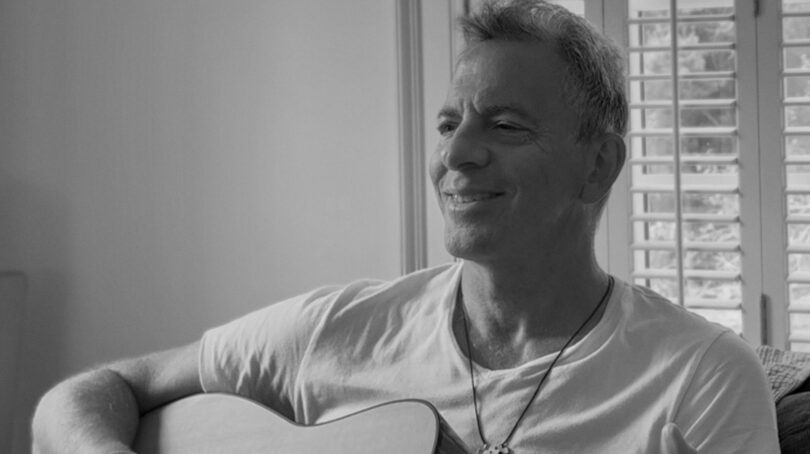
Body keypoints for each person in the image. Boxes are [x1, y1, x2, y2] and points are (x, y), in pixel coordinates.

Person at [31, 1, 779, 453]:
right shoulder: (332, 331)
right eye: (448, 124)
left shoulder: (702, 377)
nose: (455, 155)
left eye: (505, 126)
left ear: (598, 166)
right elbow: (93, 392)